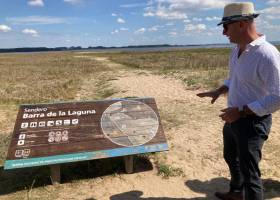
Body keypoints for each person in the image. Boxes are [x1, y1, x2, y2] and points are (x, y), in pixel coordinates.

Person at [197, 2, 280, 200]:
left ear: (242, 24)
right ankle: (236, 192)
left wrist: (242, 111)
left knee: (250, 173)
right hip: (233, 117)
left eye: (226, 26)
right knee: (230, 156)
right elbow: (234, 78)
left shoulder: (267, 54)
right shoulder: (236, 50)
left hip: (252, 123)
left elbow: (278, 96)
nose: (224, 32)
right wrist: (220, 90)